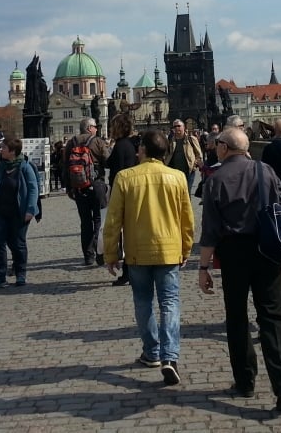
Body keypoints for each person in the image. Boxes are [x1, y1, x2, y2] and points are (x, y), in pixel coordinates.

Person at [197, 128, 281, 414]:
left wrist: (204, 267)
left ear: (225, 148)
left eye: (217, 145)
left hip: (233, 254)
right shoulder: (265, 171)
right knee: (274, 317)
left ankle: (245, 380)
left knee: (237, 317)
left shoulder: (215, 181)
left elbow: (210, 231)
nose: (215, 149)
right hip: (267, 248)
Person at [103, 130, 195, 386]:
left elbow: (113, 221)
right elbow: (187, 220)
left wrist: (111, 253)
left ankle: (152, 352)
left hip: (137, 252)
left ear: (142, 150)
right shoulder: (177, 177)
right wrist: (186, 248)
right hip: (168, 251)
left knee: (143, 302)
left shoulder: (125, 177)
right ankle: (170, 356)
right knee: (170, 302)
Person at [0, 137, 39, 290]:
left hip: (19, 212)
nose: (1, 150)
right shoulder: (0, 167)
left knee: (17, 244)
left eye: (3, 148)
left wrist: (30, 209)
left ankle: (21, 274)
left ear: (12, 151)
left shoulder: (25, 167)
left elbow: (33, 189)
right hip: (0, 212)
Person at [64, 117, 111, 266]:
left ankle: (88, 256)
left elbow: (65, 166)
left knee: (85, 222)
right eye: (95, 126)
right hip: (96, 184)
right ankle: (99, 253)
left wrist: (69, 188)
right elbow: (107, 160)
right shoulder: (97, 141)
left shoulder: (71, 143)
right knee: (99, 219)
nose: (96, 129)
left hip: (78, 186)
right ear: (89, 128)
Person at [105, 113, 139, 286]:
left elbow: (115, 169)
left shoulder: (120, 146)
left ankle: (128, 271)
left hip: (122, 192)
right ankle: (128, 271)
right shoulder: (128, 145)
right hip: (130, 190)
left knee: (123, 233)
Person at [166, 119, 204, 196]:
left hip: (188, 171)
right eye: (175, 126)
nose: (177, 128)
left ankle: (187, 207)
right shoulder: (170, 140)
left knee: (187, 193)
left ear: (183, 127)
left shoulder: (191, 139)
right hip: (175, 172)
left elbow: (199, 154)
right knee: (176, 193)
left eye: (179, 126)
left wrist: (194, 165)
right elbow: (167, 153)